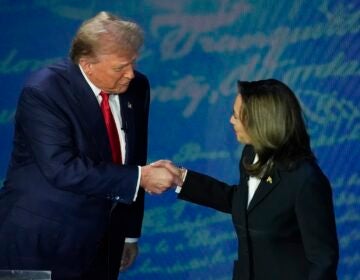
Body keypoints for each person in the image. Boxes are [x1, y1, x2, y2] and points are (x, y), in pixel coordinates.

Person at [0, 11, 180, 280]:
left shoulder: (137, 86)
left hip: (104, 241)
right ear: (87, 64)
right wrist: (142, 177)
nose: (130, 74)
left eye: (133, 62)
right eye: (120, 67)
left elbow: (134, 157)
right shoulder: (45, 91)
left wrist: (129, 234)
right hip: (41, 241)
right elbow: (62, 168)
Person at [160, 79, 339, 279]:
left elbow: (323, 260)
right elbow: (243, 203)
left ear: (260, 123)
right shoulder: (250, 154)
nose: (231, 121)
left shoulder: (305, 180)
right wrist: (181, 179)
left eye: (236, 116)